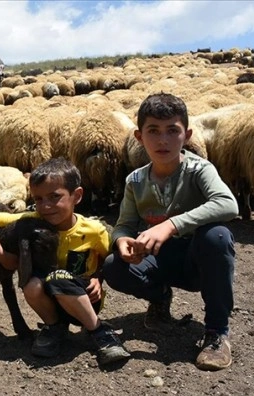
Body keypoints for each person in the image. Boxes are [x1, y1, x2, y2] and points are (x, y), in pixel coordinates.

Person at [102, 92, 239, 371]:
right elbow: (125, 223)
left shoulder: (199, 169)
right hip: (161, 258)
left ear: (186, 135)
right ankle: (160, 299)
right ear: (139, 137)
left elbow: (228, 204)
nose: (163, 140)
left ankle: (216, 333)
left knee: (217, 236)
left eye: (172, 131)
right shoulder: (135, 180)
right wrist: (122, 239)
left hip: (198, 258)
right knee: (113, 265)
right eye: (153, 131)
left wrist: (172, 224)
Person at [0, 158, 131, 365]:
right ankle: (54, 327)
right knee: (31, 283)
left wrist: (97, 279)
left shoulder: (94, 231)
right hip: (50, 299)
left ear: (77, 196)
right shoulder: (33, 219)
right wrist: (2, 255)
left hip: (86, 299)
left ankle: (100, 331)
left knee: (58, 277)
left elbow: (106, 258)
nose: (45, 206)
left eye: (54, 197)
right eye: (38, 199)